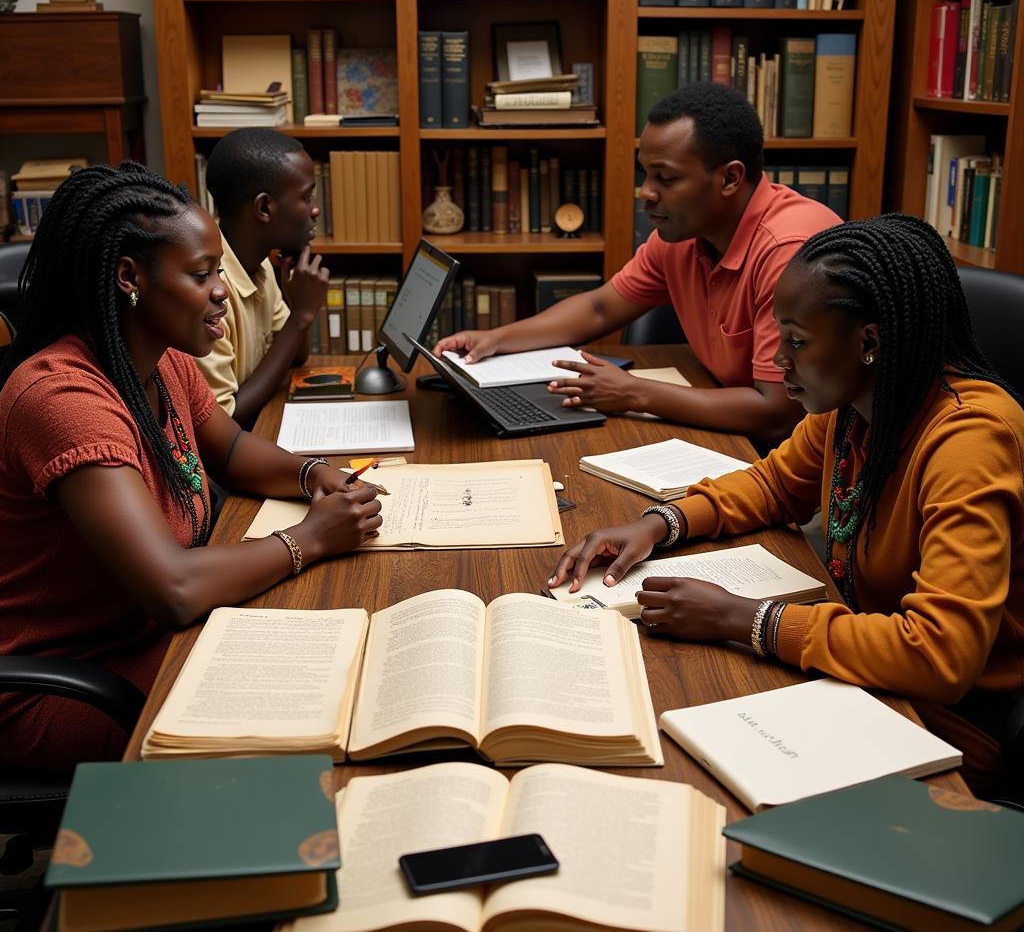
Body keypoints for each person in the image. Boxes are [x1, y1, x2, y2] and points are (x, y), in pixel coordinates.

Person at [549, 214, 1024, 798]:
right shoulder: (855, 405)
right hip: (865, 674)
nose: (781, 364)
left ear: (868, 343)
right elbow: (773, 486)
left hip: (953, 722)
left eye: (797, 342)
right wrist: (659, 522)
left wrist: (745, 619)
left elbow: (941, 656)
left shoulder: (970, 441)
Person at [0, 162, 381, 774]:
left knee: (337, 665)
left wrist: (312, 474)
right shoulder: (62, 397)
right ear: (130, 277)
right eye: (202, 274)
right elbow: (175, 588)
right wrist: (309, 538)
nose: (222, 290)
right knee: (310, 708)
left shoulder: (161, 359)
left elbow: (230, 449)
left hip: (151, 638)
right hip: (65, 680)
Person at [435, 83, 841, 444]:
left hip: (803, 466)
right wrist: (497, 339)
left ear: (730, 179)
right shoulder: (681, 234)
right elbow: (601, 306)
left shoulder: (790, 250)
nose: (645, 193)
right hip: (730, 433)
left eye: (665, 178)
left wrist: (634, 392)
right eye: (644, 174)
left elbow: (777, 413)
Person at [197, 128, 328, 428]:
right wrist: (301, 316)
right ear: (264, 208)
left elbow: (295, 357)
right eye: (306, 197)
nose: (316, 209)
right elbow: (226, 421)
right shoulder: (208, 291)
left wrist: (297, 309)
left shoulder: (261, 265)